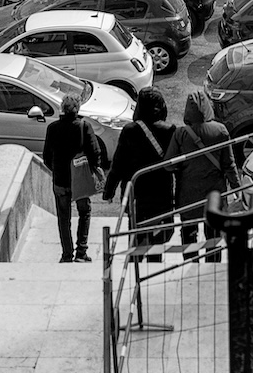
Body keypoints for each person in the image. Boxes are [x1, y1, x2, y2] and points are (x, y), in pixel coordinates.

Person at [167, 89, 242, 262]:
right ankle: (212, 265)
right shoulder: (220, 131)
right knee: (213, 236)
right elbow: (229, 165)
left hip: (188, 196)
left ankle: (191, 264)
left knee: (189, 234)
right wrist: (237, 189)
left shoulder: (180, 133)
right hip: (214, 196)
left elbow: (169, 165)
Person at [105, 90, 175, 260]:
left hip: (136, 195)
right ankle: (154, 267)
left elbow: (118, 164)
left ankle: (135, 267)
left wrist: (109, 190)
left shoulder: (130, 130)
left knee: (136, 238)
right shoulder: (170, 131)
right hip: (161, 194)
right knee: (157, 242)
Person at [42, 95, 105, 263]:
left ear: (62, 109)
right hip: (80, 180)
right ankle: (81, 252)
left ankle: (67, 254)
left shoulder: (53, 128)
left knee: (63, 218)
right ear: (78, 108)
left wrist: (56, 170)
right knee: (84, 212)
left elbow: (46, 156)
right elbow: (95, 152)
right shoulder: (84, 126)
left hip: (60, 180)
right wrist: (93, 169)